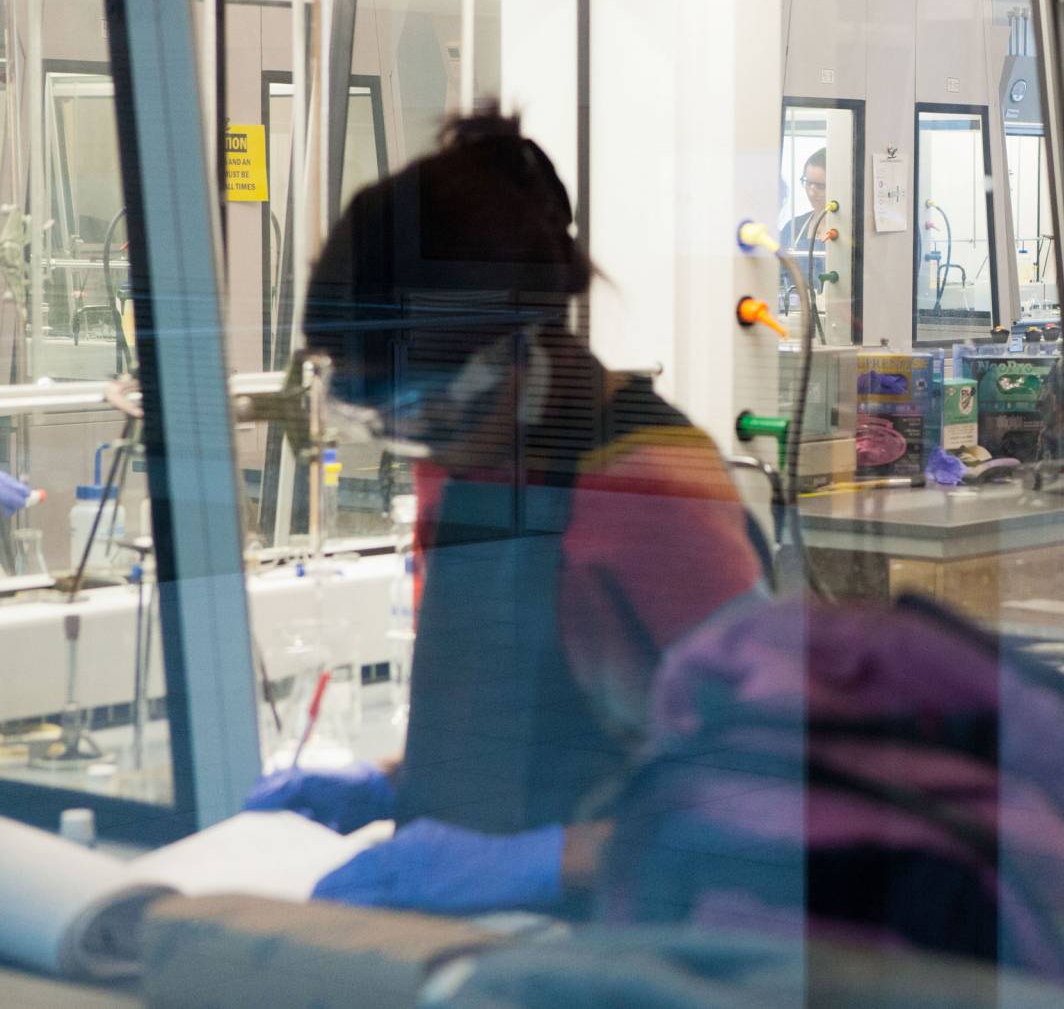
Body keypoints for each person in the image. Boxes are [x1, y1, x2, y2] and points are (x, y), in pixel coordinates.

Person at [246, 112, 768, 914]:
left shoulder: (650, 484)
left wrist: (545, 862)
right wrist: (397, 785)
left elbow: (776, 797)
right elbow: (530, 731)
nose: (423, 452)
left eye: (425, 413)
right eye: (384, 423)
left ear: (518, 353)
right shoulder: (462, 463)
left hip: (635, 939)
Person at [778, 148, 830, 298]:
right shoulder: (793, 228)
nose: (812, 192)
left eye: (821, 186)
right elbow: (779, 278)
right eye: (808, 183)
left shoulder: (848, 229)